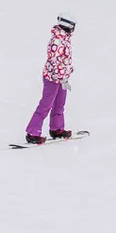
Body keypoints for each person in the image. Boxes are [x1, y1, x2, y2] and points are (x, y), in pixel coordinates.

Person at [24, 15, 77, 144]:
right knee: (46, 104)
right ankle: (32, 132)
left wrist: (65, 77)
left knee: (59, 103)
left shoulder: (64, 38)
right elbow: (55, 62)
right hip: (52, 78)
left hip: (61, 78)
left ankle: (57, 128)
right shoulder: (57, 40)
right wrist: (62, 78)